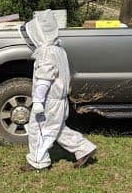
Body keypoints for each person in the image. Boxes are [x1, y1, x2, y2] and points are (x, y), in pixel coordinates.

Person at [20, 10, 97, 171]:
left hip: (48, 101)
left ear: (39, 34)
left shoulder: (46, 53)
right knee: (57, 129)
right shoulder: (58, 49)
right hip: (60, 100)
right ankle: (84, 149)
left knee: (39, 130)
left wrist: (39, 101)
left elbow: (44, 79)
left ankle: (38, 162)